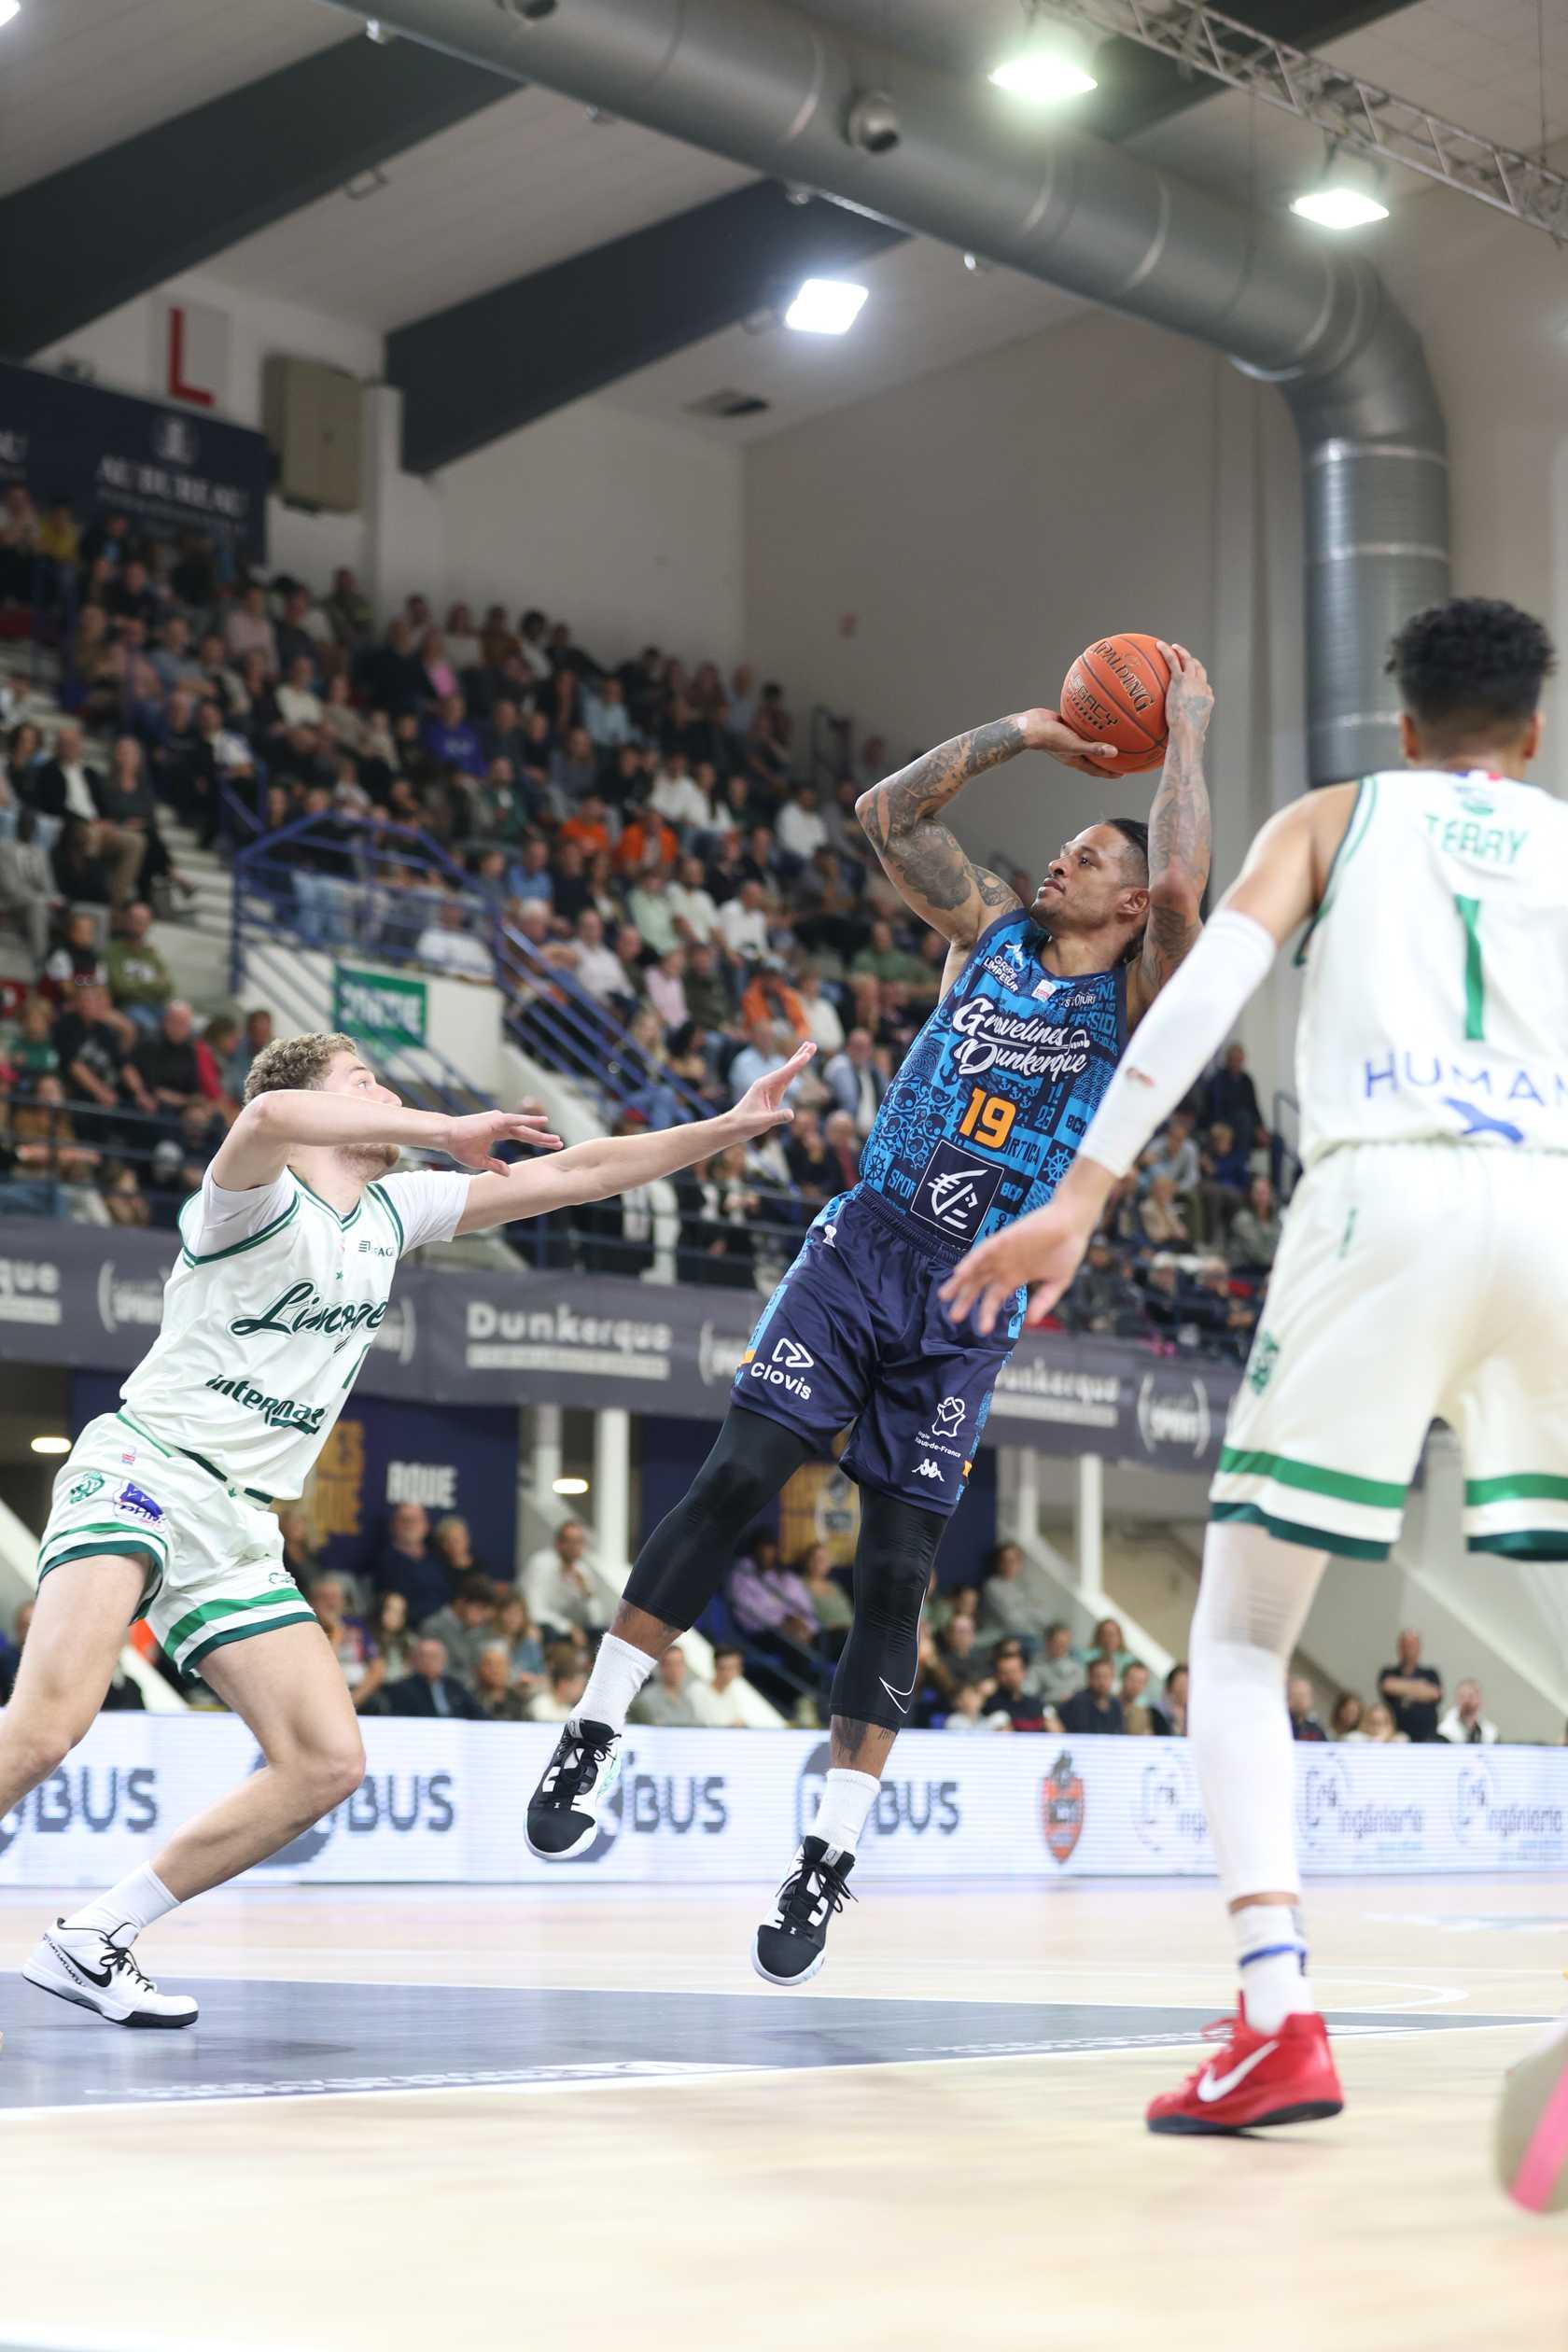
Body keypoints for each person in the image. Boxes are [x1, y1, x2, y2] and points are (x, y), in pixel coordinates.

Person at [940, 595, 1568, 2152]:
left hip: (1385, 1200)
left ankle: (1277, 2014)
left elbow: (1204, 992)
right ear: (1534, 733)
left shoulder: (1338, 817)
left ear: (1406, 724)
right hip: (1554, 1206)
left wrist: (1081, 1195)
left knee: (1238, 1635)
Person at [525, 647, 1213, 1998]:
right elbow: (887, 817)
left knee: (896, 1570)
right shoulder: (992, 928)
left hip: (975, 1294)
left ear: (1130, 904)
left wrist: (1182, 730)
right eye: (1064, 851)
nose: (1060, 865)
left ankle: (828, 1853)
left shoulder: (1137, 995)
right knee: (732, 1479)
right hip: (870, 1238)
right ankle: (595, 1729)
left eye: (1087, 858)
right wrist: (1032, 726)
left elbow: (1189, 883)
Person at [6, 1023, 809, 2028]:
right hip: (147, 1469)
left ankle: (93, 1938)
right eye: (364, 1083)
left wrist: (727, 1128)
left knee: (327, 1764)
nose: (383, 1095)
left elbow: (588, 1173)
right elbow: (264, 1112)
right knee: (44, 1731)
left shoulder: (395, 1209)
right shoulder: (248, 1195)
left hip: (241, 1526)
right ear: (325, 1107)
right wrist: (439, 1124)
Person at [383, 1635, 482, 1720]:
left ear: (443, 1660)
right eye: (423, 1656)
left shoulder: (455, 1686)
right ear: (414, 1660)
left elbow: (478, 1714)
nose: (428, 1661)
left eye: (434, 1656)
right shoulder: (402, 1688)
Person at [1378, 1628, 1445, 1744]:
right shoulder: (1388, 1672)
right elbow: (1387, 1686)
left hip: (1427, 1737)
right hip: (1396, 1738)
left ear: (1419, 1648)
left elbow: (1435, 1693)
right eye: (1405, 1645)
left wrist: (1401, 1688)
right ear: (1399, 1648)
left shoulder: (1430, 1674)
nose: (1408, 1649)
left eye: (1412, 1645)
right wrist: (1420, 1687)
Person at [629, 1646, 700, 1729]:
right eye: (670, 1664)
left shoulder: (689, 1697)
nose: (675, 1670)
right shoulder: (647, 1699)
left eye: (679, 1664)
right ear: (662, 1667)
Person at [690, 1644, 751, 1729]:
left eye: (733, 1667)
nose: (728, 1673)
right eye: (725, 1668)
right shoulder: (698, 1690)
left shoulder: (734, 1691)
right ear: (716, 1666)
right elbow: (707, 1724)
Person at [1059, 1656, 1124, 1735]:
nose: (1102, 1682)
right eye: (1097, 1677)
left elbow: (1120, 1733)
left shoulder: (1116, 1704)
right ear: (1089, 1677)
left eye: (1106, 1676)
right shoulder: (1077, 1702)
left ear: (1112, 1678)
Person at [473, 1640, 530, 1723]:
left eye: (500, 1664)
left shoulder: (520, 1700)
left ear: (509, 1668)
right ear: (479, 1668)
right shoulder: (470, 1699)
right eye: (489, 1664)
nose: (495, 1670)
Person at [1438, 1678, 1499, 1745]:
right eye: (1462, 1696)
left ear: (1479, 1699)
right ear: (1456, 1699)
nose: (1467, 1701)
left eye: (1471, 1696)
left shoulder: (1489, 1731)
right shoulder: (1444, 1732)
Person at [1288, 1676, 1327, 1742]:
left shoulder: (1315, 1730)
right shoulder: (1280, 1723)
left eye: (1306, 1696)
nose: (1304, 1701)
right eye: (1299, 1695)